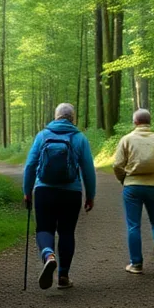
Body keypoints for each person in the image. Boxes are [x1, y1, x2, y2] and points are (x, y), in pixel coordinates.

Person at [23, 103, 97, 290]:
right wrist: (90, 195)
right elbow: (88, 170)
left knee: (44, 228)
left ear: (55, 117)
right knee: (66, 232)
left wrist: (27, 191)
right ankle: (63, 276)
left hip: (44, 190)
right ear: (73, 118)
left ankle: (48, 255)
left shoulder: (42, 135)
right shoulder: (79, 138)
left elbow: (30, 165)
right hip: (71, 192)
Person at [113, 109, 154, 274]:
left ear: (135, 122)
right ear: (149, 122)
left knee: (133, 225)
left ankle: (136, 263)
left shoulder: (127, 140)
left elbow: (117, 165)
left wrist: (123, 179)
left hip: (132, 186)